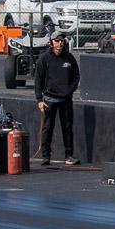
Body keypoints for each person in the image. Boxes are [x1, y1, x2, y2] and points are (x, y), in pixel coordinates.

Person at [34, 31, 80, 166]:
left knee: (67, 128)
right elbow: (38, 80)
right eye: (57, 40)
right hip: (49, 99)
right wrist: (39, 100)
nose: (60, 43)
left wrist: (70, 90)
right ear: (51, 42)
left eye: (62, 41)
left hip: (65, 99)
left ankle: (69, 156)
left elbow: (76, 76)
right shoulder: (44, 58)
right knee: (47, 129)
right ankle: (45, 156)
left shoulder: (69, 58)